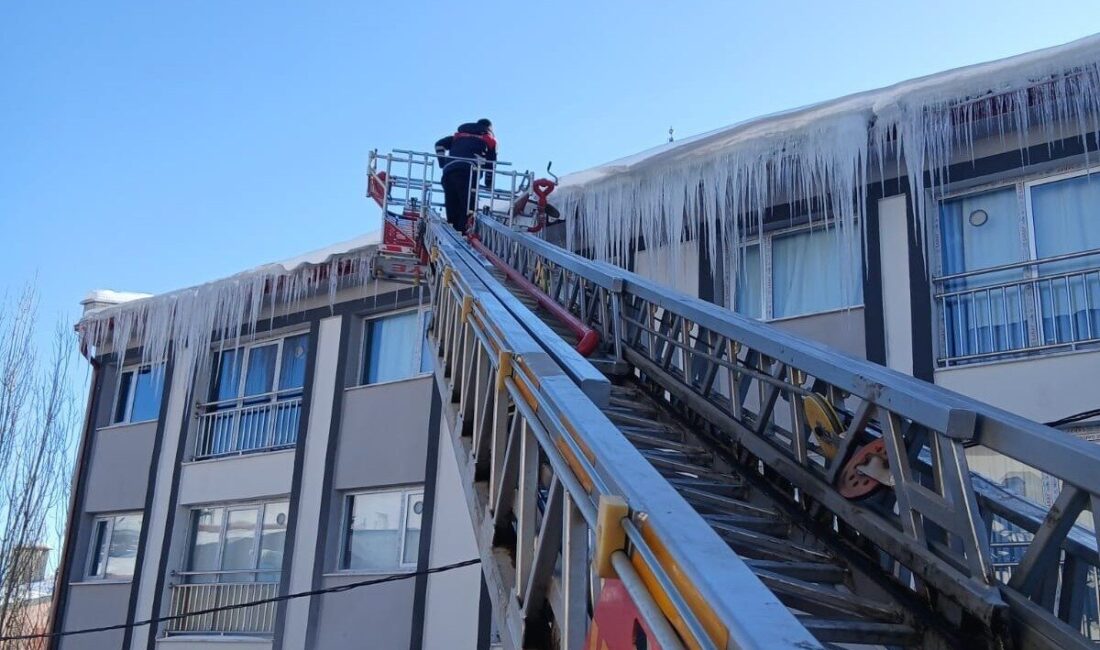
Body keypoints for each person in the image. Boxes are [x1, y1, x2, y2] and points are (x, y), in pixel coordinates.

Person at [434, 118, 497, 233]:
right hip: (468, 171)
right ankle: (463, 233)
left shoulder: (459, 136)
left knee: (452, 204)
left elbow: (439, 145)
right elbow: (490, 165)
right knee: (468, 206)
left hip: (449, 172)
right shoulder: (489, 140)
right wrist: (489, 184)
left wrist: (443, 162)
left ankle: (452, 230)